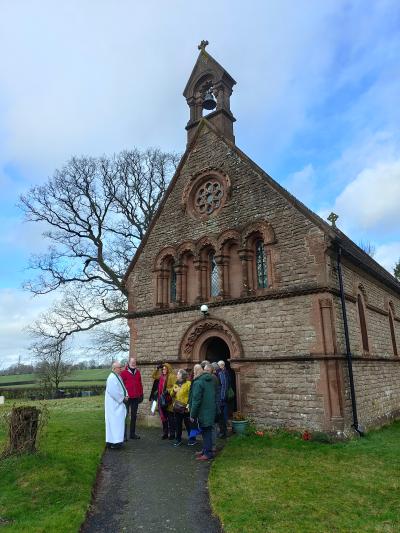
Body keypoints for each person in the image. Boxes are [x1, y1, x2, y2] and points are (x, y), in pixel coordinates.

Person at [189, 363, 217, 461]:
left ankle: (208, 453)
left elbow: (196, 400)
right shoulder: (209, 380)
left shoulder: (198, 382)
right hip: (209, 410)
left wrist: (192, 414)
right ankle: (205, 450)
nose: (193, 373)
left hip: (204, 411)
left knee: (206, 433)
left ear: (196, 372)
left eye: (193, 371)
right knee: (206, 431)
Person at [105, 361, 129, 449]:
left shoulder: (117, 376)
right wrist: (123, 398)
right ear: (114, 368)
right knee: (114, 424)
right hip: (113, 405)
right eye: (119, 368)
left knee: (117, 424)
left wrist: (126, 394)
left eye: (121, 367)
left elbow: (122, 387)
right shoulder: (111, 378)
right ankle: (114, 442)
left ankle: (116, 441)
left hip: (117, 404)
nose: (121, 369)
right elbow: (113, 391)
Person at [120, 357, 144, 440]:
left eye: (135, 362)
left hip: (136, 397)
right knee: (125, 416)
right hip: (127, 398)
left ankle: (132, 434)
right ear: (129, 363)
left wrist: (141, 394)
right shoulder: (123, 373)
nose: (134, 363)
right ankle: (123, 435)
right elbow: (121, 386)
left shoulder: (138, 373)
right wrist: (123, 396)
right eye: (132, 362)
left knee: (134, 416)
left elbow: (140, 384)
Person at [171, 369, 192, 447]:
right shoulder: (176, 383)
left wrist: (188, 405)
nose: (176, 375)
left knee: (188, 425)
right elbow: (171, 394)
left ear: (182, 375)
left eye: (178, 374)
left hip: (186, 407)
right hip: (177, 407)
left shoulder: (188, 384)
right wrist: (173, 391)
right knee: (178, 424)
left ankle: (191, 439)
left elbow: (191, 395)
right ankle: (178, 439)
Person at [158, 363, 177, 440]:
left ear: (168, 369)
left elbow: (175, 386)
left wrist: (168, 390)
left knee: (170, 418)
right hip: (162, 399)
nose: (163, 370)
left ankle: (172, 434)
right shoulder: (161, 377)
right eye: (163, 369)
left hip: (169, 400)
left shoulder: (172, 376)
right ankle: (165, 433)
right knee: (164, 417)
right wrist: (157, 369)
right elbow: (153, 376)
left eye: (165, 369)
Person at [204, 362, 220, 454]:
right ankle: (208, 446)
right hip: (211, 405)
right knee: (210, 427)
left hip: (213, 406)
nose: (205, 372)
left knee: (213, 427)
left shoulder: (212, 378)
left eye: (207, 370)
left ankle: (213, 446)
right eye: (204, 370)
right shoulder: (210, 377)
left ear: (211, 371)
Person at [217, 360, 230, 438]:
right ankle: (223, 432)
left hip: (222, 398)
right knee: (222, 415)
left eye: (219, 366)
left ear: (222, 365)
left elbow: (224, 386)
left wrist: (222, 397)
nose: (218, 367)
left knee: (222, 416)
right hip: (223, 397)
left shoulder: (222, 373)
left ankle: (223, 433)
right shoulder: (224, 372)